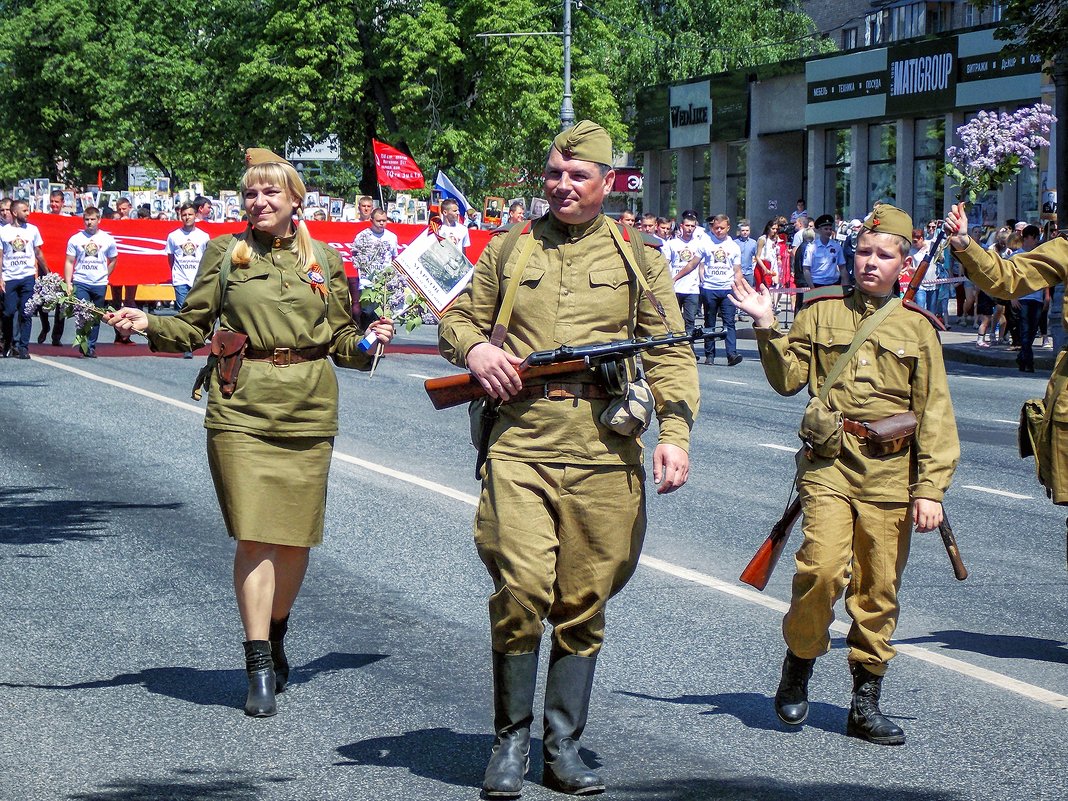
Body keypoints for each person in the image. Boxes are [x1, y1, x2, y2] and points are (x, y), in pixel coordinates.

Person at [438, 120, 699, 797]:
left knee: (584, 597)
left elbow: (668, 349)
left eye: (577, 175)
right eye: (553, 174)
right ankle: (509, 741)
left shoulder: (638, 256)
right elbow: (457, 318)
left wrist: (674, 432)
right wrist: (476, 351)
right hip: (520, 438)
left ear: (606, 183)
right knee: (521, 586)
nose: (561, 185)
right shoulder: (510, 248)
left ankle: (562, 744)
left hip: (604, 443)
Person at [105, 148, 395, 718]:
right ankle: (258, 658)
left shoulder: (325, 261)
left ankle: (277, 631)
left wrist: (367, 342)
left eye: (270, 193)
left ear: (295, 201)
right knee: (255, 534)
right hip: (241, 404)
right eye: (250, 194)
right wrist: (146, 324)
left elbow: (339, 338)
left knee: (294, 537)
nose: (258, 202)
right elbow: (192, 323)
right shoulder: (224, 253)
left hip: (308, 406)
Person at [730, 203, 959, 746]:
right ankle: (800, 661)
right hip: (829, 463)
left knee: (879, 587)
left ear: (903, 263)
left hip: (889, 475)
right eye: (863, 252)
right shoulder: (819, 313)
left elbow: (936, 414)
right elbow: (788, 380)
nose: (870, 263)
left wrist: (930, 489)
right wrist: (766, 327)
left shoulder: (917, 328)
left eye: (884, 255)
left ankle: (865, 701)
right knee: (823, 570)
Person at [63, 206, 118, 358]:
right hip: (81, 280)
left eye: (93, 219)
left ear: (99, 220)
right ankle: (83, 342)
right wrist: (68, 282)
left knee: (95, 315)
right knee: (82, 313)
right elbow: (69, 261)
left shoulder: (107, 239)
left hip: (99, 283)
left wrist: (105, 274)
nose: (89, 222)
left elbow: (113, 259)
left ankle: (91, 346)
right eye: (87, 219)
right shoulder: (76, 239)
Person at [0, 199, 49, 359]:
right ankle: (8, 342)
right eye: (25, 210)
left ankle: (23, 347)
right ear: (15, 213)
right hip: (9, 277)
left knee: (26, 313)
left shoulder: (33, 230)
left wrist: (47, 272)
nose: (28, 213)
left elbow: (38, 252)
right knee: (8, 312)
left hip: (28, 277)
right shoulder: (3, 231)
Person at [166, 201, 212, 357]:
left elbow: (207, 258)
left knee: (197, 311)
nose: (187, 217)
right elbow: (171, 258)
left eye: (190, 214)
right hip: (180, 279)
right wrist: (175, 274)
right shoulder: (173, 236)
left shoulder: (204, 236)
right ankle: (186, 346)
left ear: (195, 216)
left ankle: (198, 336)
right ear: (180, 216)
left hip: (197, 279)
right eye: (184, 215)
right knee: (183, 311)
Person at [699, 213, 743, 365]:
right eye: (716, 228)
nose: (719, 230)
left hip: (727, 288)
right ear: (712, 228)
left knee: (729, 322)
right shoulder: (705, 243)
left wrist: (740, 289)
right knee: (709, 322)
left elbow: (737, 271)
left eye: (722, 228)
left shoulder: (734, 247)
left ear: (728, 228)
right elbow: (694, 263)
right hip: (709, 288)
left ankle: (731, 354)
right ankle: (709, 354)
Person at [350, 207, 399, 328]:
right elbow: (355, 256)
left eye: (384, 220)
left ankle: (379, 344)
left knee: (381, 316)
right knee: (367, 313)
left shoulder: (392, 237)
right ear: (371, 220)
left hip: (384, 283)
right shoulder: (362, 236)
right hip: (367, 282)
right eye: (378, 220)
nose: (382, 223)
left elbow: (394, 258)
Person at [663, 211, 706, 350]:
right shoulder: (672, 244)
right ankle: (672, 347)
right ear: (681, 226)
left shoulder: (699, 244)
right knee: (673, 320)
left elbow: (701, 265)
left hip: (692, 289)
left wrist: (702, 280)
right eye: (687, 225)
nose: (689, 228)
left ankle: (689, 350)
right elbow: (666, 263)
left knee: (690, 320)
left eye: (692, 226)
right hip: (675, 287)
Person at [803, 214, 847, 288]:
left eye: (830, 229)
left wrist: (845, 286)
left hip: (833, 284)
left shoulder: (836, 246)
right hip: (817, 284)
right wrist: (812, 287)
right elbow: (806, 269)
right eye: (826, 229)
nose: (828, 231)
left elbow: (842, 268)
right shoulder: (811, 247)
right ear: (819, 230)